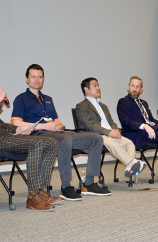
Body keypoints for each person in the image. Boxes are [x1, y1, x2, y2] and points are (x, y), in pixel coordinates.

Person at [0, 55, 63, 211]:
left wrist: (17, 129)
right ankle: (33, 197)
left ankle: (41, 191)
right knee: (37, 143)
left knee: (51, 142)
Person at [11, 64, 111, 198]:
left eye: (40, 77)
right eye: (33, 76)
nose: (37, 80)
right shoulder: (21, 98)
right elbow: (16, 122)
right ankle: (66, 187)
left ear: (43, 79)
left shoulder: (48, 99)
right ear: (26, 79)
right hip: (37, 134)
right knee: (65, 140)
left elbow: (56, 121)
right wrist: (45, 126)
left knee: (96, 138)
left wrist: (59, 126)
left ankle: (89, 184)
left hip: (56, 133)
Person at [76, 77, 145, 177]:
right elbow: (89, 125)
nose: (98, 88)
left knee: (129, 143)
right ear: (86, 89)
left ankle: (130, 166)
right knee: (113, 144)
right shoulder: (81, 106)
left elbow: (111, 122)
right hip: (95, 136)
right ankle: (132, 162)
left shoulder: (103, 106)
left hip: (109, 134)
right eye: (95, 86)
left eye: (98, 85)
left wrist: (115, 130)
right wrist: (108, 132)